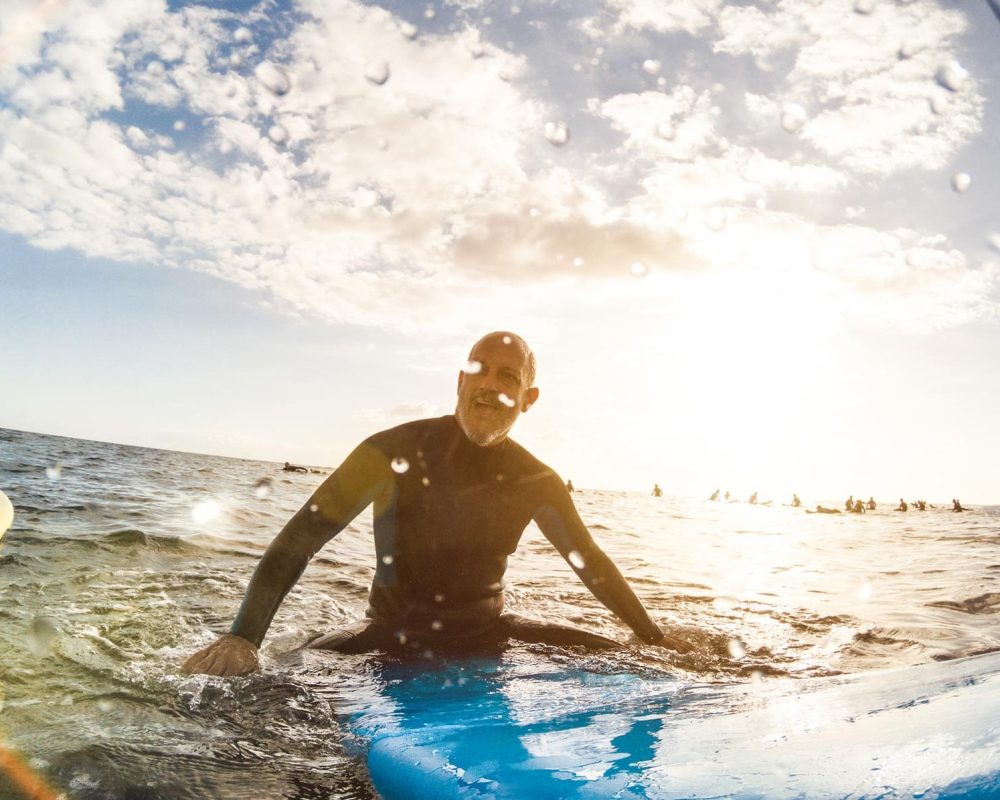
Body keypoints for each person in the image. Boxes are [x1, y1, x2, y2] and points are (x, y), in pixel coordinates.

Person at [182, 332, 692, 677]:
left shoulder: (537, 480)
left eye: (508, 377)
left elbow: (591, 564)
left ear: (529, 398)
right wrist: (242, 638)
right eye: (480, 371)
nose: (490, 385)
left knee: (657, 665)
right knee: (256, 686)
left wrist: (651, 634)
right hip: (386, 635)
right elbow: (299, 541)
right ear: (460, 381)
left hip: (489, 634)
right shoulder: (390, 451)